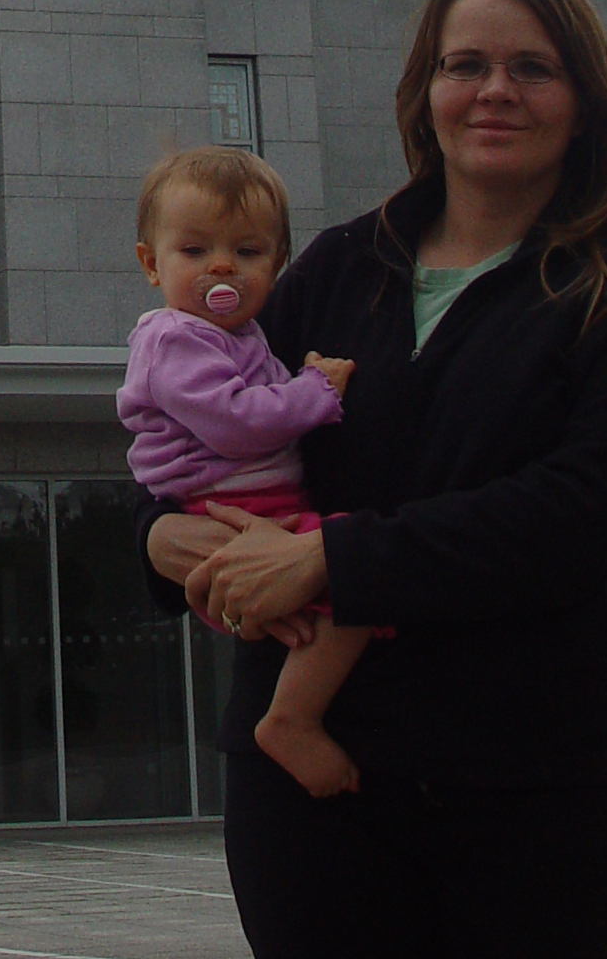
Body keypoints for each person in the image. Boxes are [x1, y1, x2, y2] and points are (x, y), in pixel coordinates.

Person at [140, 0, 607, 959]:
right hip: (312, 804)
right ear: (426, 95)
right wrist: (155, 536)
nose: (495, 89)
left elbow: (585, 511)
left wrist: (336, 559)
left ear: (583, 100)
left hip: (532, 791)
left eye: (532, 68)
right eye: (467, 64)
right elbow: (200, 422)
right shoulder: (335, 265)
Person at [119, 146, 372, 794]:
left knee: (336, 592)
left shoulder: (238, 334)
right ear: (152, 263)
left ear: (279, 263)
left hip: (254, 512)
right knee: (358, 578)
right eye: (195, 251)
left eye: (249, 253)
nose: (223, 266)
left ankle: (292, 713)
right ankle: (290, 719)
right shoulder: (174, 338)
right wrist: (318, 390)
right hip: (229, 511)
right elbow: (236, 422)